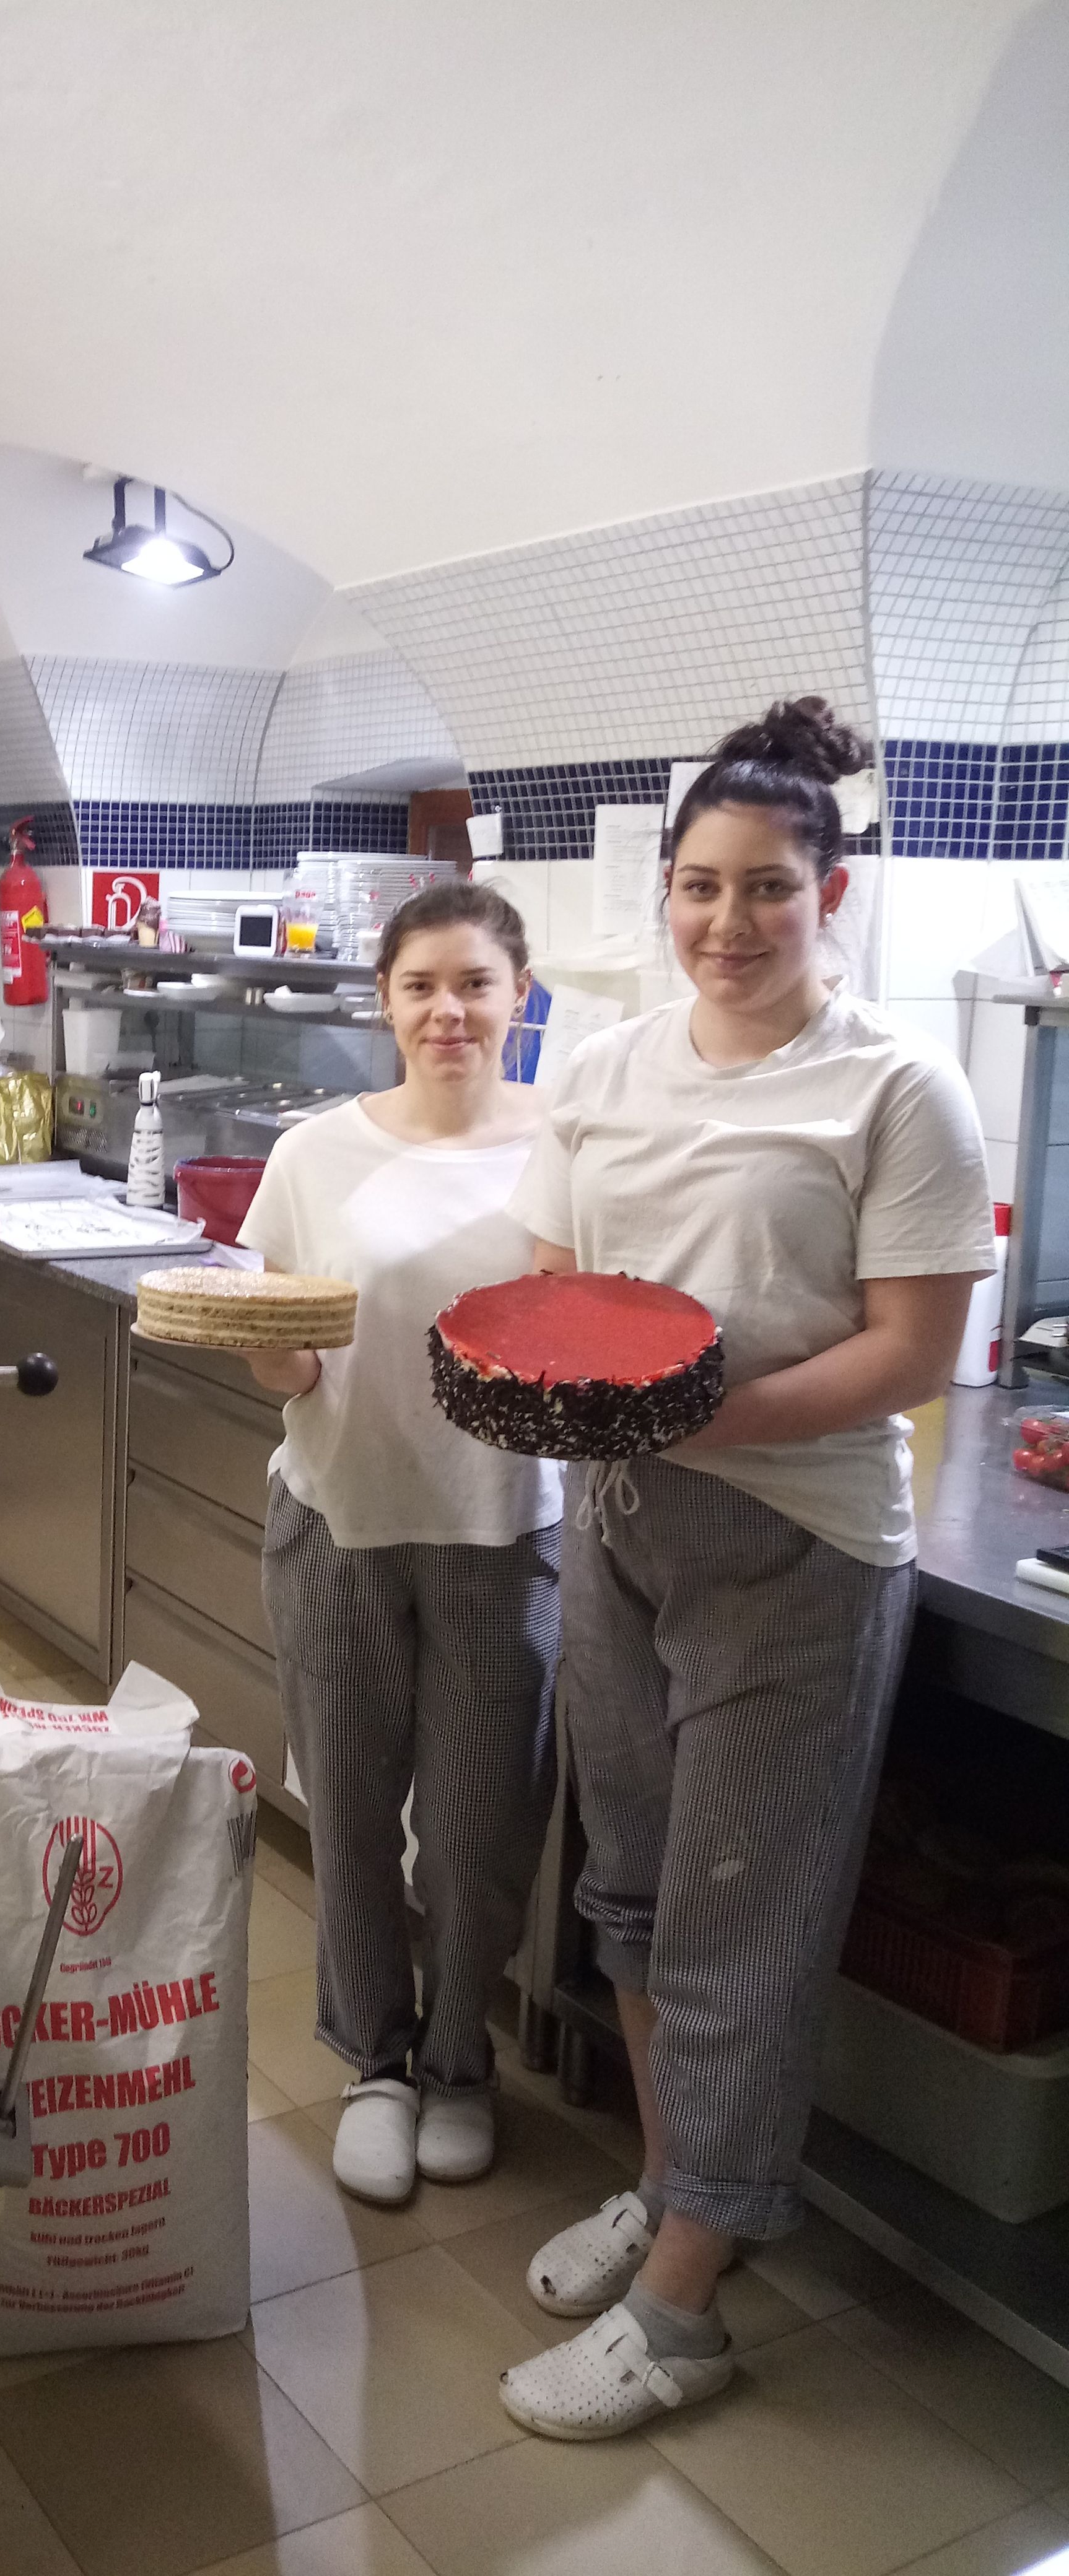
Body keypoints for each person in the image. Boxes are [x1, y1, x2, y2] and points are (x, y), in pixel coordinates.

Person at [497, 698, 994, 2439]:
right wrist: (560, 1403)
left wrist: (703, 1427)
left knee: (738, 1920)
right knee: (631, 1896)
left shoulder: (893, 1090)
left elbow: (913, 1356)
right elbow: (559, 1292)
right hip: (625, 1529)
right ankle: (676, 2182)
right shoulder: (604, 1070)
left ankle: (690, 2304)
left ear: (829, 894)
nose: (727, 922)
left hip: (795, 1548)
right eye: (701, 888)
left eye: (767, 890)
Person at [237, 881, 562, 2201]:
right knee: (357, 1815)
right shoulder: (316, 1153)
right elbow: (283, 1357)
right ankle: (374, 2061)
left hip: (507, 1527)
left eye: (475, 983)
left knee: (484, 1829)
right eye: (422, 984)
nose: (449, 1010)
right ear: (384, 1000)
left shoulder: (573, 1144)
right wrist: (270, 1343)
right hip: (342, 1520)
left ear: (520, 995)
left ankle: (459, 2062)